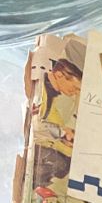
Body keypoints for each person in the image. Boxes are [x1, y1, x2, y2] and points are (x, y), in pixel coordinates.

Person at [33, 39, 85, 190]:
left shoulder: (52, 97)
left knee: (65, 163)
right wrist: (62, 133)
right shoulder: (41, 92)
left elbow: (57, 127)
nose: (75, 93)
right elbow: (37, 126)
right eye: (75, 88)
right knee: (60, 163)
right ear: (60, 75)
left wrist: (68, 139)